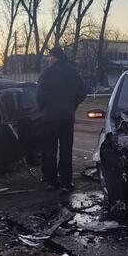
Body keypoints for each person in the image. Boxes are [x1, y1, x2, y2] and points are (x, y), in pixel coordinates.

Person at [36, 46, 86, 193]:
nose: (48, 59)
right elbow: (82, 92)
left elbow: (39, 96)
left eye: (49, 56)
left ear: (55, 57)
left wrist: (44, 108)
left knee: (50, 150)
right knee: (66, 150)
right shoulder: (73, 73)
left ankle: (51, 181)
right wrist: (72, 105)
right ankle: (66, 182)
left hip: (50, 118)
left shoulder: (47, 73)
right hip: (67, 117)